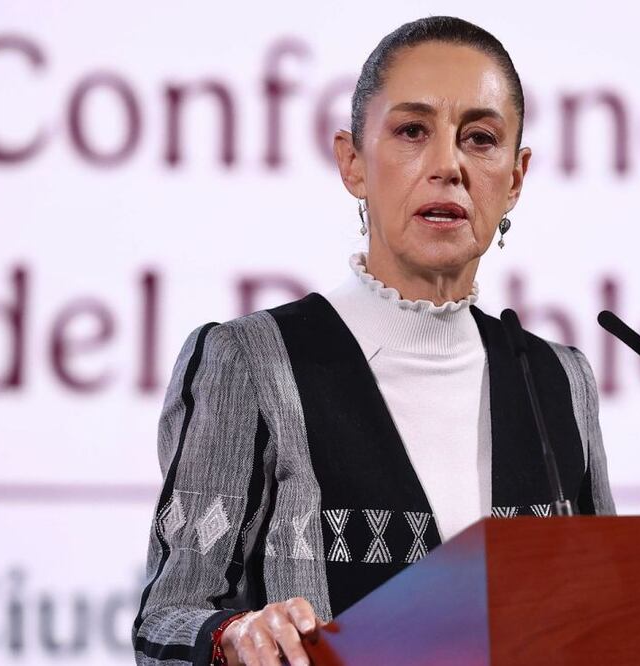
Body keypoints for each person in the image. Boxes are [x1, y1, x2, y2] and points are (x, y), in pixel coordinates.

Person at [132, 16, 614, 666]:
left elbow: (607, 615)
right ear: (352, 162)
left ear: (516, 178)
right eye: (413, 132)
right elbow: (165, 622)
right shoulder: (252, 362)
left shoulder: (558, 382)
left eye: (479, 139)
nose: (447, 166)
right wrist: (231, 637)